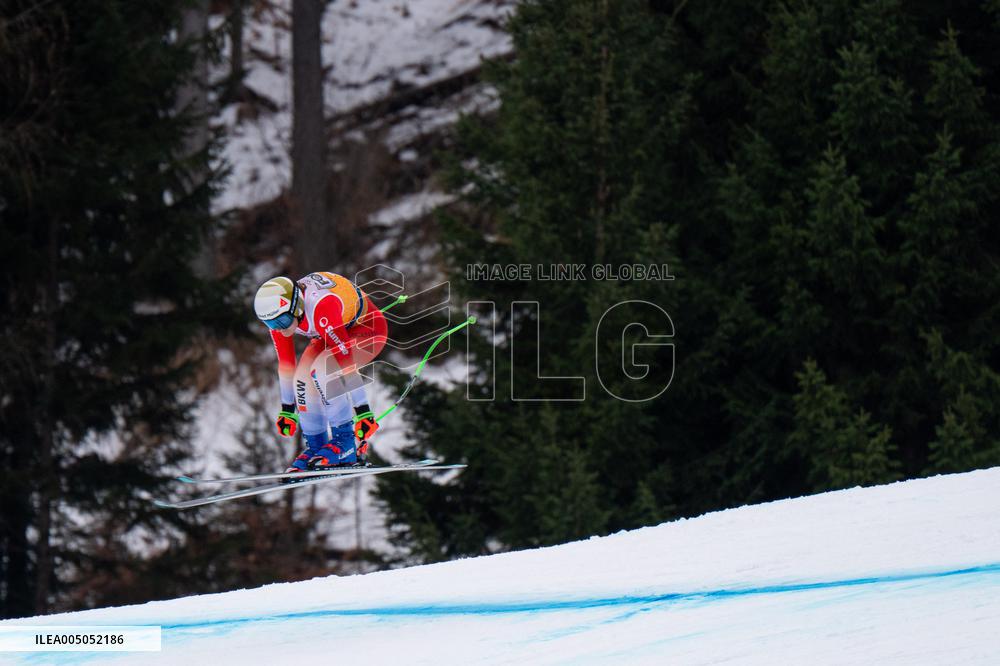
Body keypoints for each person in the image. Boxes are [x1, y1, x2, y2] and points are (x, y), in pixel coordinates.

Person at [253, 272, 387, 474]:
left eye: (282, 322)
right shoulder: (280, 315)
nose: (278, 329)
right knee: (302, 379)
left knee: (323, 370)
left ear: (296, 307)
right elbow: (286, 365)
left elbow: (346, 363)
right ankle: (316, 446)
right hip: (330, 332)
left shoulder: (321, 306)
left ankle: (345, 443)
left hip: (367, 329)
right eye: (270, 324)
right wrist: (287, 409)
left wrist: (363, 411)